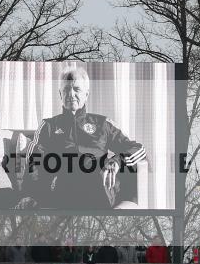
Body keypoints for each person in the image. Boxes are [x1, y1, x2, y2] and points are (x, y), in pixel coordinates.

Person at [21, 67, 146, 210]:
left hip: (100, 191)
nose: (71, 94)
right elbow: (33, 160)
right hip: (64, 191)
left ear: (86, 94)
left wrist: (116, 161)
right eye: (66, 89)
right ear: (60, 94)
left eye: (76, 89)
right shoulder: (48, 125)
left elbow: (138, 148)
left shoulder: (102, 123)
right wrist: (31, 194)